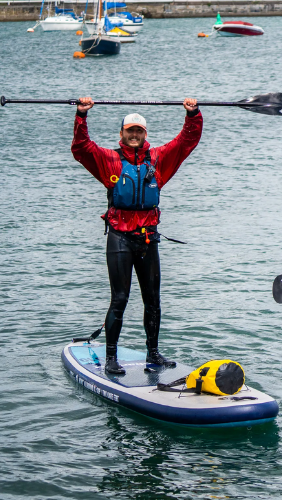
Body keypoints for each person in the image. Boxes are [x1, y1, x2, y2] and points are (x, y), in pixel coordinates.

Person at [72, 97, 202, 375]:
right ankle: (110, 358)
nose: (134, 135)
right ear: (121, 134)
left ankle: (153, 354)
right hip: (119, 237)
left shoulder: (158, 159)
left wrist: (193, 115)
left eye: (138, 131)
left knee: (152, 300)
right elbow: (81, 148)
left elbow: (185, 142)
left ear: (145, 135)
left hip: (147, 239)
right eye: (129, 130)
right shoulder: (109, 160)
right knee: (119, 299)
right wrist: (81, 116)